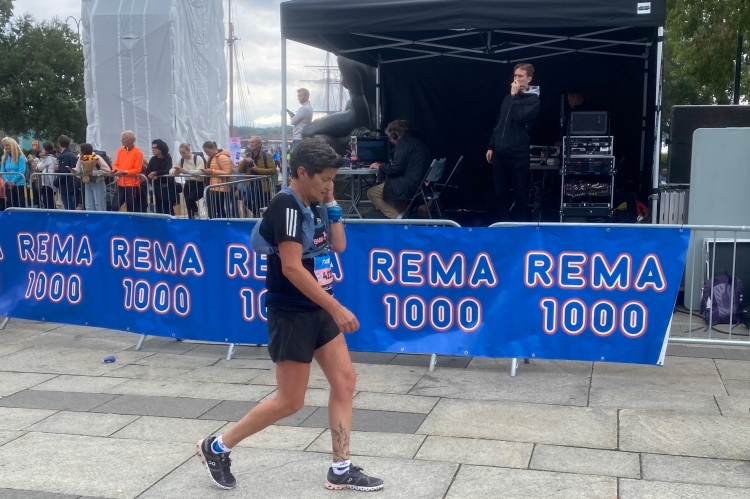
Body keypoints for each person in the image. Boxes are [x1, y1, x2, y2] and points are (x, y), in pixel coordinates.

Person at [196, 137, 384, 493]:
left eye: (332, 180)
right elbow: (292, 268)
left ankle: (341, 468)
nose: (329, 185)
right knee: (290, 401)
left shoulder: (315, 203)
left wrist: (331, 202)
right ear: (302, 172)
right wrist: (337, 308)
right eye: (324, 179)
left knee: (345, 382)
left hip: (319, 306)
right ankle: (217, 446)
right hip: (293, 312)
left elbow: (339, 245)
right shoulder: (286, 205)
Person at [486, 62, 540, 222]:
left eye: (520, 76)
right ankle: (502, 223)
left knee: (519, 192)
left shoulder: (533, 100)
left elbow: (520, 116)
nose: (516, 79)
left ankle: (520, 224)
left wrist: (515, 96)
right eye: (515, 75)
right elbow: (499, 123)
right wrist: (491, 145)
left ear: (529, 79)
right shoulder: (507, 98)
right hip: (500, 151)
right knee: (500, 192)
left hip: (518, 153)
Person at [366, 120, 431, 219]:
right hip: (418, 183)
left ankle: (397, 218)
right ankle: (404, 214)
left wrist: (379, 166)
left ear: (395, 135)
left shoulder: (404, 144)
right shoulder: (415, 142)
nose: (391, 141)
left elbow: (396, 168)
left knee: (372, 192)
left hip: (410, 184)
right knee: (387, 185)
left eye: (390, 137)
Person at [238, 135, 277, 216]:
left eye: (253, 142)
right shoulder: (248, 155)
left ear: (259, 144)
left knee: (262, 204)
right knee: (246, 201)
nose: (251, 144)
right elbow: (240, 170)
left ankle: (263, 218)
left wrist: (257, 169)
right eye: (250, 142)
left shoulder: (266, 155)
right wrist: (245, 160)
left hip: (263, 184)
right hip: (251, 183)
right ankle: (257, 214)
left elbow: (273, 170)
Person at [110, 130, 146, 212]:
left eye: (124, 138)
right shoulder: (121, 150)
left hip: (132, 185)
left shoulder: (138, 152)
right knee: (114, 205)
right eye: (122, 138)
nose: (121, 140)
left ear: (131, 140)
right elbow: (116, 164)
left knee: (131, 208)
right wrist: (115, 170)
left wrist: (124, 172)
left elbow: (137, 169)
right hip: (121, 184)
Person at [171, 143, 205, 219]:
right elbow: (171, 171)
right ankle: (191, 217)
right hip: (188, 183)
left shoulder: (197, 158)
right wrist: (176, 171)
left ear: (189, 151)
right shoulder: (181, 160)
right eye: (180, 153)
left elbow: (200, 171)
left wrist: (187, 172)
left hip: (198, 183)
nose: (182, 155)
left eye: (183, 153)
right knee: (188, 203)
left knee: (190, 199)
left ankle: (196, 214)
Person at [202, 141, 235, 218]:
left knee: (219, 209)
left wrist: (212, 171)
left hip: (220, 188)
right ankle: (214, 222)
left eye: (207, 151)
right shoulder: (212, 158)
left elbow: (227, 172)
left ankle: (221, 222)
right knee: (212, 209)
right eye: (205, 152)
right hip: (212, 186)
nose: (207, 154)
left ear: (213, 148)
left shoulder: (222, 157)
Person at [74, 143, 111, 211]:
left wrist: (93, 173)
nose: (79, 151)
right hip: (87, 182)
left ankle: (101, 217)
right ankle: (91, 217)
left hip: (98, 182)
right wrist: (74, 171)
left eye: (80, 150)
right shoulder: (81, 158)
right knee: (88, 205)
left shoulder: (96, 157)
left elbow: (107, 170)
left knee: (99, 205)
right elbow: (78, 169)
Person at [146, 139, 177, 215]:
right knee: (158, 207)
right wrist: (151, 176)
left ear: (160, 149)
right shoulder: (153, 159)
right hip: (156, 186)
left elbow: (167, 170)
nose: (152, 149)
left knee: (167, 207)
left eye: (154, 148)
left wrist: (156, 173)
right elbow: (147, 171)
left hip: (166, 187)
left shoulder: (168, 158)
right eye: (152, 147)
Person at [1, 137, 27, 208]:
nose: (5, 147)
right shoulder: (4, 157)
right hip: (8, 185)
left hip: (19, 184)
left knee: (20, 205)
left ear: (12, 146)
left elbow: (21, 171)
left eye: (7, 145)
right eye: (4, 145)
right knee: (11, 205)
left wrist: (13, 181)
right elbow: (2, 171)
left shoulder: (21, 157)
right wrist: (7, 181)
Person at [56, 135, 81, 210]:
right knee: (71, 204)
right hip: (72, 184)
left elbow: (64, 170)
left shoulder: (65, 156)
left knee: (69, 206)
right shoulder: (71, 154)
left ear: (59, 144)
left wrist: (56, 182)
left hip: (66, 185)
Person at [35, 142, 58, 209]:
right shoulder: (53, 157)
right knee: (49, 199)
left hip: (47, 181)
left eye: (43, 149)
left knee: (47, 200)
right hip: (51, 181)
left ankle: (50, 213)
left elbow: (39, 167)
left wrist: (38, 162)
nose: (42, 150)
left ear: (46, 150)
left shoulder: (48, 158)